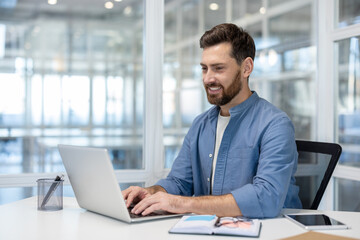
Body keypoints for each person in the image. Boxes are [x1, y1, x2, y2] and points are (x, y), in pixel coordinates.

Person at [122, 23, 302, 219]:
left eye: (218, 68)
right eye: (204, 69)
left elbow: (266, 198)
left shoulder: (275, 124)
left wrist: (180, 203)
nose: (208, 79)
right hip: (210, 229)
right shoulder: (201, 124)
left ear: (246, 68)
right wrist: (152, 193)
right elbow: (180, 183)